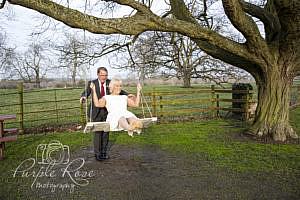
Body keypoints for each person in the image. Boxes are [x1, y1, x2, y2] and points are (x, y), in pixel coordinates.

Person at [80, 67, 128, 161]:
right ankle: (97, 154)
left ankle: (104, 152)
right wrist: (83, 97)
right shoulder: (92, 83)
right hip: (95, 111)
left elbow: (119, 90)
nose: (104, 77)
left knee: (106, 132)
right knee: (98, 132)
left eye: (106, 75)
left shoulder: (109, 82)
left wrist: (127, 94)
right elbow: (86, 92)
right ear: (98, 74)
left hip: (107, 111)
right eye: (102, 75)